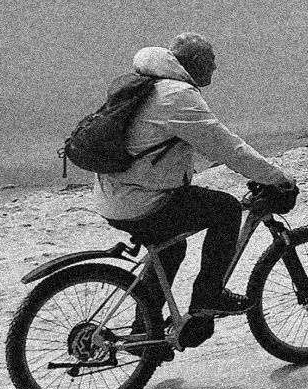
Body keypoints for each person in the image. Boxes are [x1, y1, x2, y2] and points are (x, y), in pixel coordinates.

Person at [94, 32, 297, 348]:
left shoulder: (150, 86)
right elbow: (228, 148)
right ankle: (208, 296)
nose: (215, 69)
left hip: (113, 197)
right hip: (140, 200)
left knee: (171, 247)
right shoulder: (177, 97)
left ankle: (143, 331)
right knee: (226, 208)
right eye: (212, 62)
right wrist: (276, 178)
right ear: (199, 62)